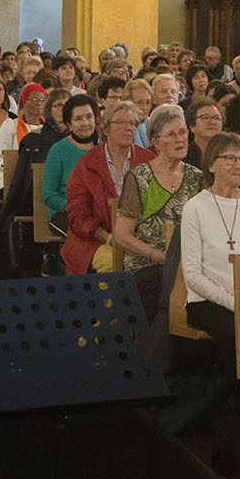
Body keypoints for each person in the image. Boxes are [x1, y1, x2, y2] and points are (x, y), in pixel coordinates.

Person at [178, 131, 240, 393]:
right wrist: (234, 303)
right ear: (211, 164)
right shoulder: (196, 207)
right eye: (230, 158)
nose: (239, 164)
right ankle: (235, 412)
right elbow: (193, 275)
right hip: (207, 302)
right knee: (235, 335)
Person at [112, 104, 204, 321]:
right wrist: (159, 256)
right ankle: (158, 345)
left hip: (186, 263)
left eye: (182, 133)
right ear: (155, 142)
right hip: (148, 264)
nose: (180, 139)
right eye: (171, 134)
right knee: (161, 282)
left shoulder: (197, 177)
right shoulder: (139, 177)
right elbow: (122, 235)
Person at [61, 101, 153, 275]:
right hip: (94, 240)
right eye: (120, 122)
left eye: (132, 123)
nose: (128, 128)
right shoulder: (86, 164)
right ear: (105, 128)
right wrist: (110, 238)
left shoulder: (147, 160)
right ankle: (111, 303)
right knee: (117, 262)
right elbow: (77, 217)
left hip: (138, 239)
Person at [41, 94, 99, 217]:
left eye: (89, 117)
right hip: (65, 212)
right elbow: (49, 194)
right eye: (78, 119)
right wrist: (72, 207)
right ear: (69, 124)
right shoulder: (58, 150)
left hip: (98, 212)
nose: (85, 123)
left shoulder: (103, 148)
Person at [184, 96, 223, 168]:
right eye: (205, 117)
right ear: (192, 126)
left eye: (217, 118)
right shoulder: (183, 156)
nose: (213, 122)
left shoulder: (229, 153)